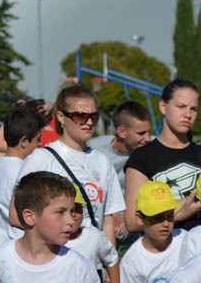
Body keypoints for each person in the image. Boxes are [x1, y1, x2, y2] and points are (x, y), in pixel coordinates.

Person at [18, 85, 124, 245]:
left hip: (94, 264)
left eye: (94, 117)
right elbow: (17, 215)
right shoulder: (42, 158)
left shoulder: (102, 161)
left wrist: (110, 264)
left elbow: (107, 221)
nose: (89, 122)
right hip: (57, 260)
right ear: (60, 117)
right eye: (80, 116)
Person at [125, 80, 201, 233]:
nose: (188, 114)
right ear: (163, 107)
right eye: (181, 107)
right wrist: (177, 214)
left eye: (194, 109)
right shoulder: (141, 158)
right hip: (165, 251)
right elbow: (132, 222)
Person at [0, 105, 41, 249]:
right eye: (37, 140)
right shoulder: (23, 171)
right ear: (23, 141)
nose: (39, 145)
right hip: (21, 252)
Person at [87, 100, 152, 189]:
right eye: (141, 133)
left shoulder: (153, 146)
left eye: (149, 132)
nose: (148, 138)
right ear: (121, 132)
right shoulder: (93, 150)